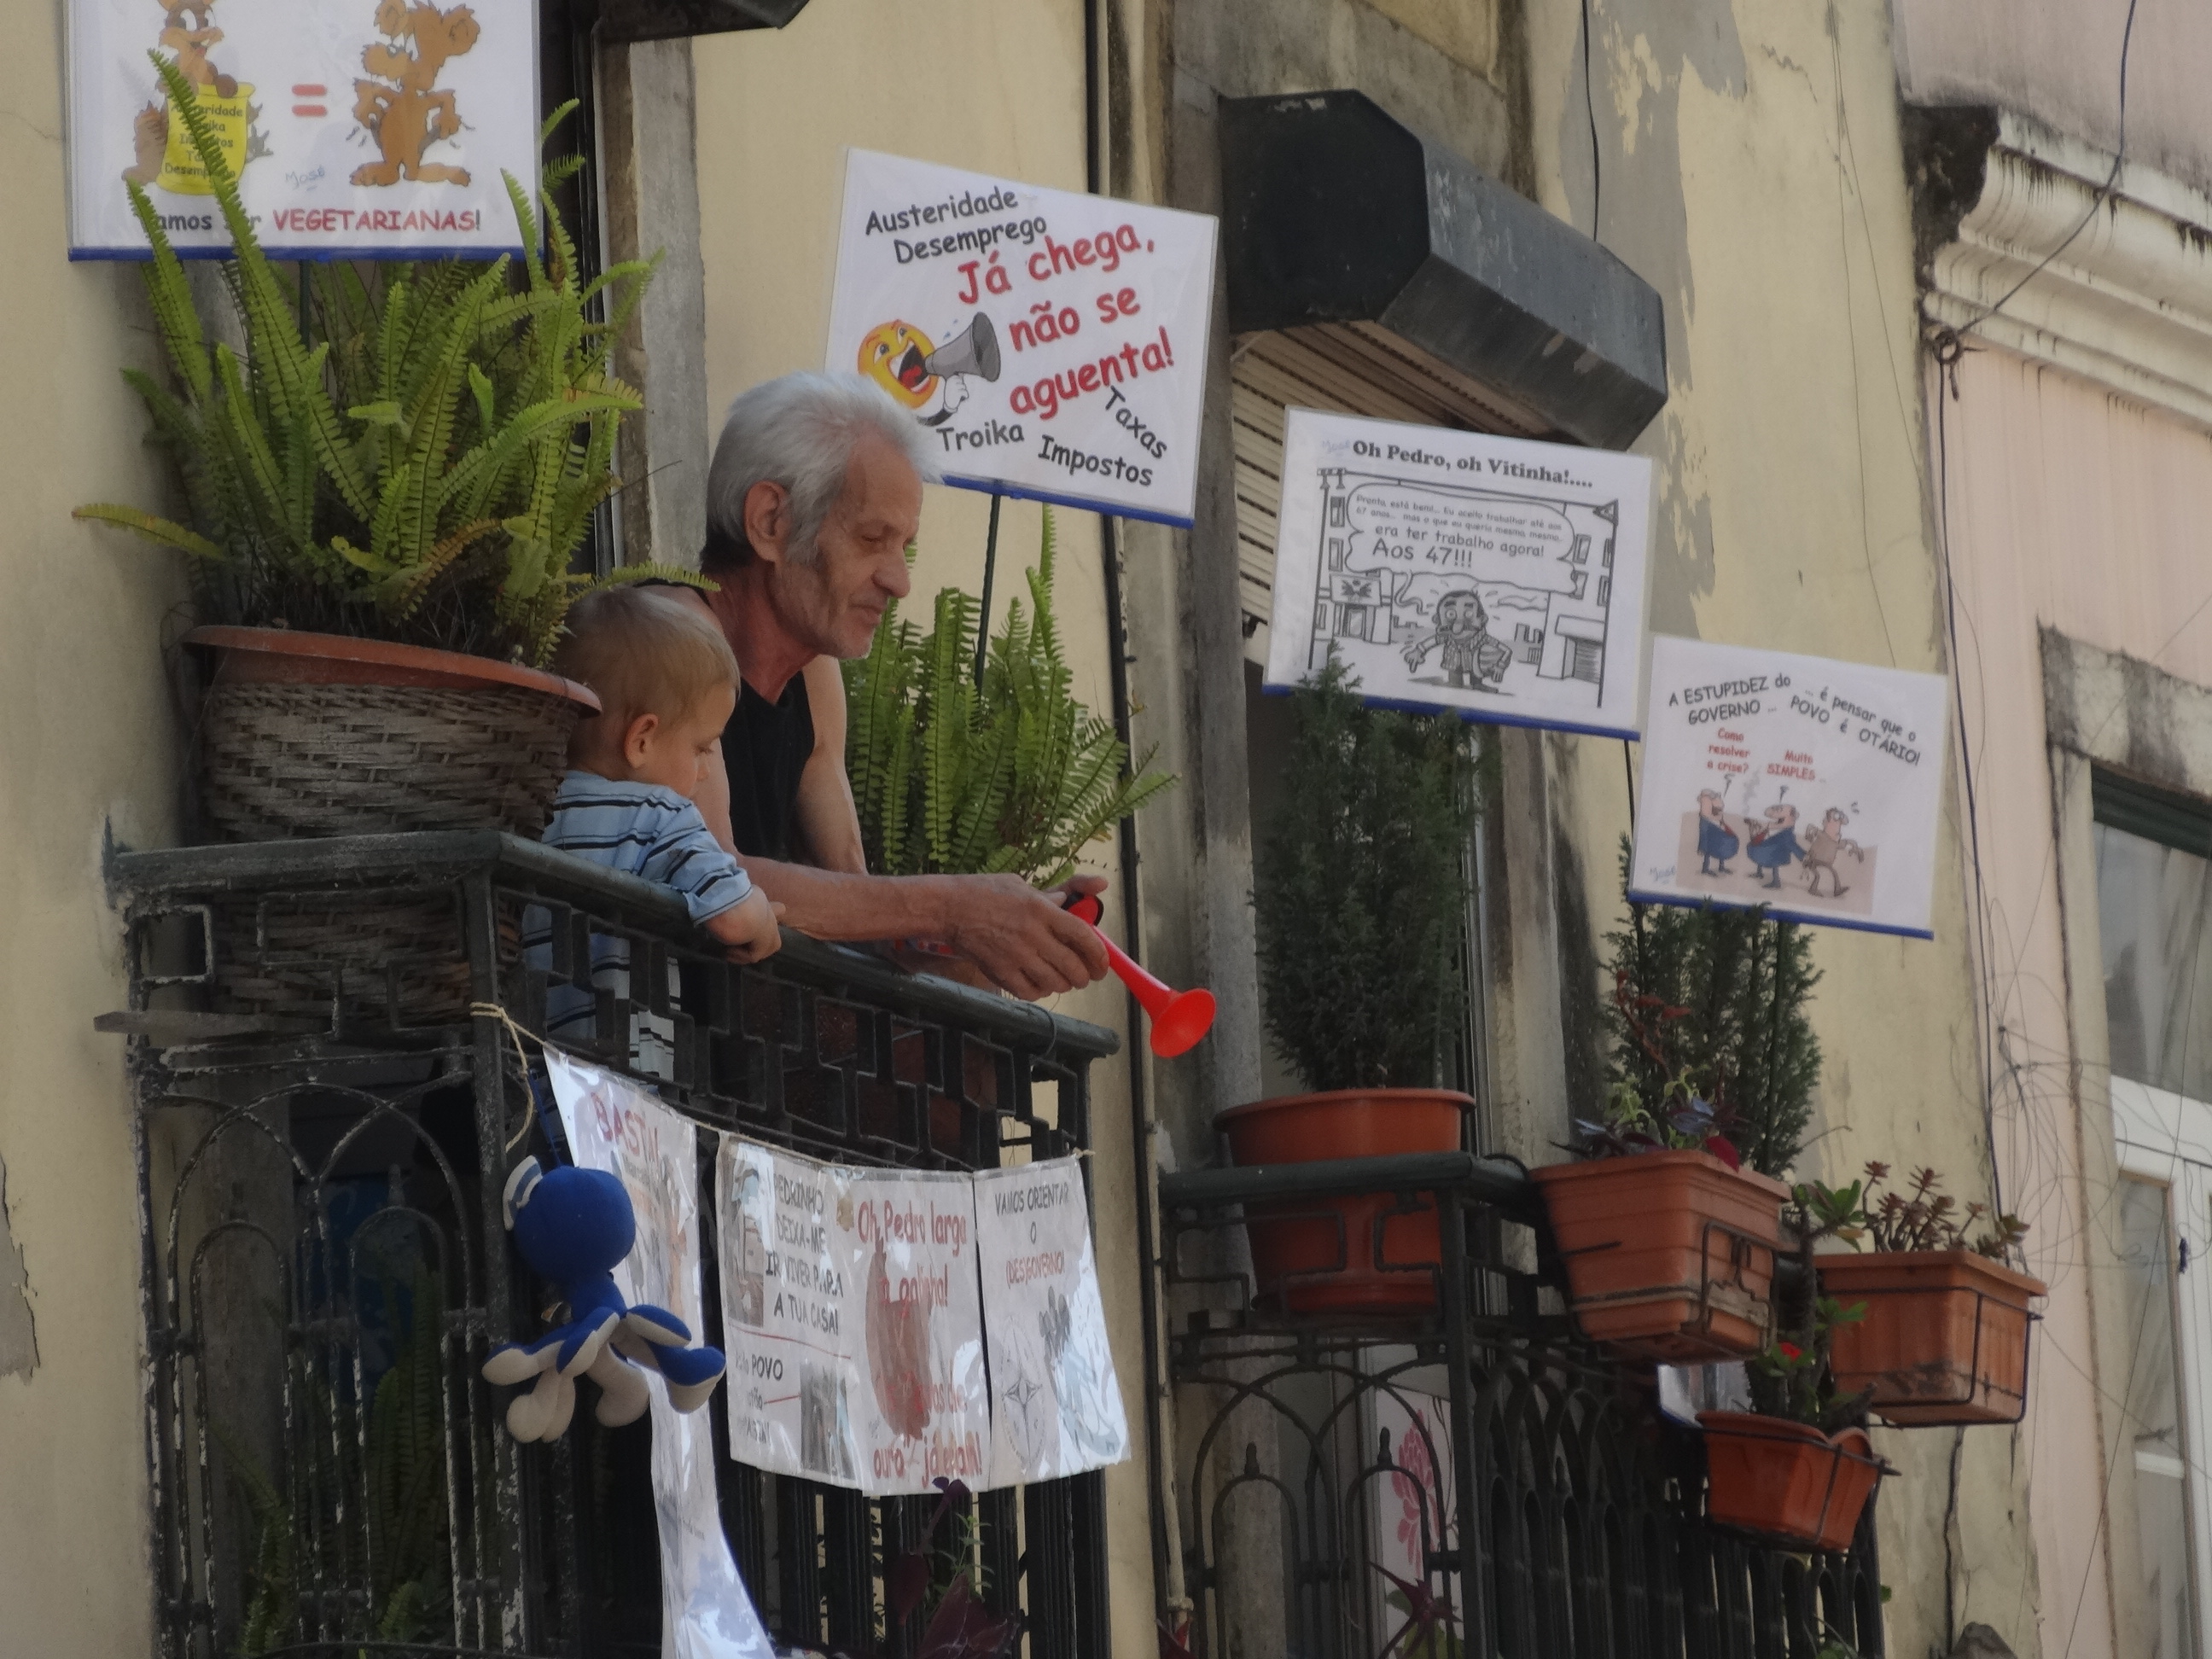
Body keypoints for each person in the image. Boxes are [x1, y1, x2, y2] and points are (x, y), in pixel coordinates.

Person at [663, 371, 1109, 1002]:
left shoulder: (813, 673)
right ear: (770, 521)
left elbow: (858, 906)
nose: (900, 581)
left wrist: (1002, 930)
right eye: (873, 539)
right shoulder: (671, 640)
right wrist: (956, 906)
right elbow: (717, 877)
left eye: (904, 546)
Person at [532, 586, 784, 1041]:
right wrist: (763, 914)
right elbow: (732, 917)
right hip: (618, 1068)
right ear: (642, 740)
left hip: (528, 1058)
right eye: (701, 748)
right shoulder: (659, 816)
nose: (706, 770)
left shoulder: (530, 808)